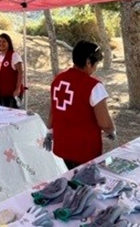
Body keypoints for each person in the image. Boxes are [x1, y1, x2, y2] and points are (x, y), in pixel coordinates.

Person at [45, 40, 116, 170]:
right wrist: (111, 130)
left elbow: (53, 110)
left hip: (62, 145)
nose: (96, 68)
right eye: (96, 64)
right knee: (83, 187)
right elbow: (104, 123)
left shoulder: (58, 80)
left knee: (68, 182)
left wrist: (49, 131)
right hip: (84, 150)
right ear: (88, 62)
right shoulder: (94, 86)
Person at [0, 33, 23, 109]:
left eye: (4, 41)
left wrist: (17, 88)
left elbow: (20, 72)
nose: (1, 43)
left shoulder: (14, 55)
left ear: (8, 43)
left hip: (13, 92)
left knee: (13, 115)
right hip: (2, 92)